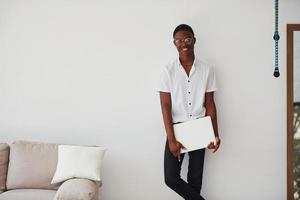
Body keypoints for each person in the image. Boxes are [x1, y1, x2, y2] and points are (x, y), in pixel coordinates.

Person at [158, 24, 221, 200]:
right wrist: (171, 139)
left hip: (201, 127)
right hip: (177, 129)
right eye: (179, 40)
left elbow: (210, 103)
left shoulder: (207, 69)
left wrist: (215, 134)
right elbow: (165, 106)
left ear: (194, 40)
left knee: (195, 181)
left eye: (187, 39)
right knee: (171, 178)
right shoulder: (167, 70)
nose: (183, 43)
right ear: (174, 43)